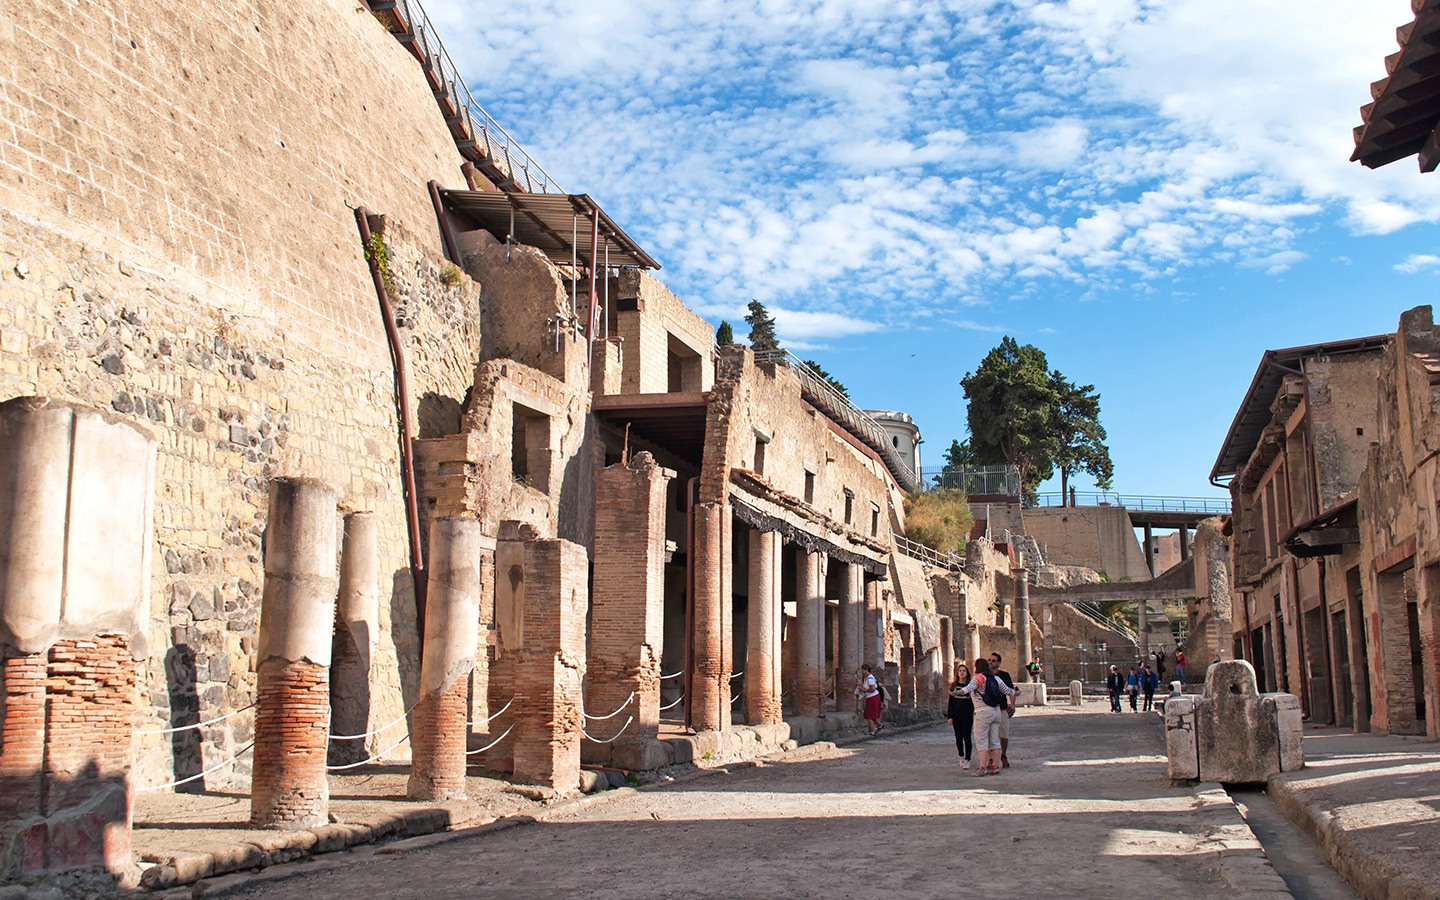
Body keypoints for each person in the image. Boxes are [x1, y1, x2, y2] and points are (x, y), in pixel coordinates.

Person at [956, 657, 1014, 775]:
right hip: (996, 711)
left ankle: (982, 767)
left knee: (981, 740)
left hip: (982, 712)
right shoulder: (996, 678)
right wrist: (1016, 692)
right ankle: (995, 766)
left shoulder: (978, 678)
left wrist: (957, 692)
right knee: (994, 740)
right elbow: (1008, 691)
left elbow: (967, 689)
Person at [988, 652, 1016, 768]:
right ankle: (991, 759)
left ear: (998, 663)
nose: (990, 662)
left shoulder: (1004, 675)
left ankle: (1003, 754)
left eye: (993, 661)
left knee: (1004, 736)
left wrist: (1012, 704)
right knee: (990, 736)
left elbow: (1010, 690)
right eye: (989, 660)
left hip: (1002, 709)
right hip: (989, 709)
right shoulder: (984, 676)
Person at [946, 661, 976, 770]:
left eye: (964, 671)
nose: (962, 673)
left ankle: (968, 759)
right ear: (957, 673)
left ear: (967, 673)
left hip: (967, 715)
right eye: (960, 671)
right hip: (956, 715)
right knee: (958, 737)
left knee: (967, 737)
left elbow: (973, 701)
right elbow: (951, 703)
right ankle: (961, 756)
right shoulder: (954, 686)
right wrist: (950, 717)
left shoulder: (970, 686)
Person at [858, 664, 883, 735]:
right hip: (871, 697)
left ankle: (873, 730)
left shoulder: (869, 678)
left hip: (873, 697)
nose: (862, 671)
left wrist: (864, 690)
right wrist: (860, 685)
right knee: (872, 714)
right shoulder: (867, 678)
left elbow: (872, 689)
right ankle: (879, 725)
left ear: (866, 670)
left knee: (868, 715)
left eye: (862, 670)